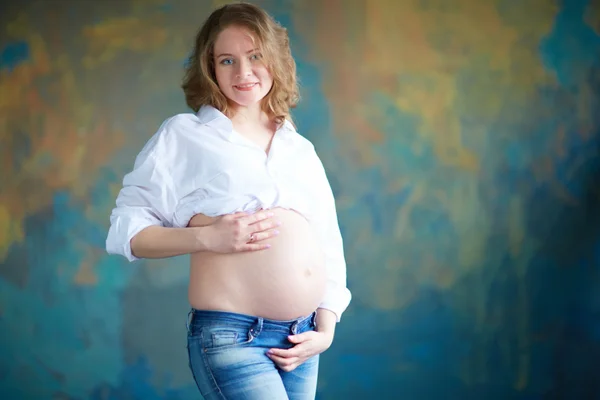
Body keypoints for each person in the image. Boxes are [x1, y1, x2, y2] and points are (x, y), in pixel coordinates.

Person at [105, 2, 351, 399]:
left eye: (255, 56)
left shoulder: (298, 147)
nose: (243, 72)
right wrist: (206, 238)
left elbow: (327, 241)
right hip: (232, 337)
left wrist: (326, 326)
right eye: (227, 60)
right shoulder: (185, 136)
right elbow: (127, 232)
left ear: (275, 60)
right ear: (210, 68)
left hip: (302, 342)